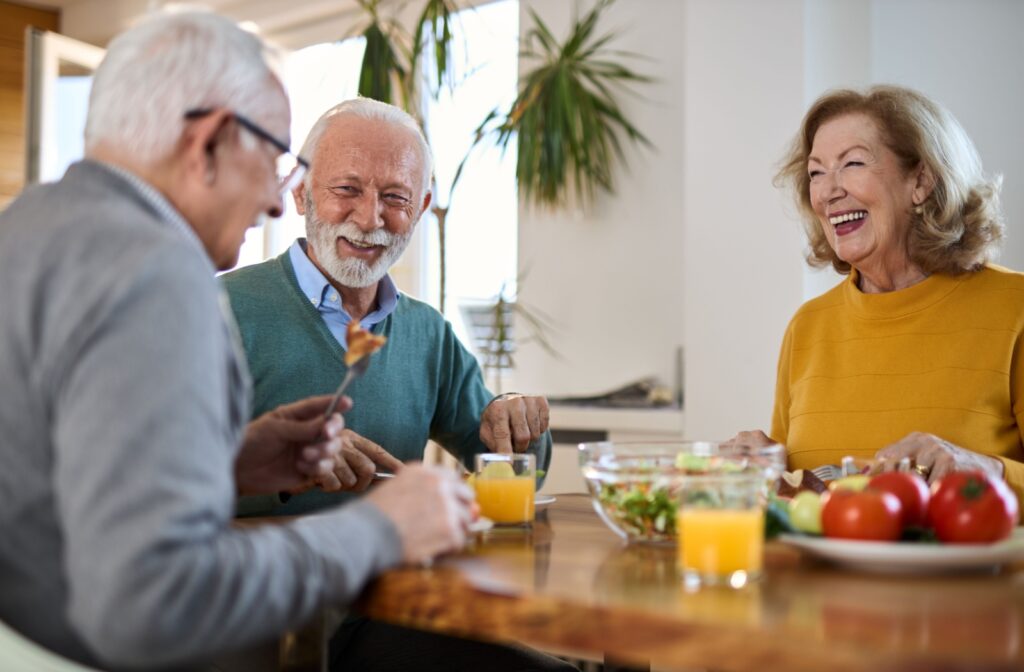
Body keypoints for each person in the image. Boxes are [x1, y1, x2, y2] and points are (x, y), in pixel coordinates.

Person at [0, 11, 475, 671]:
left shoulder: (28, 226)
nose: (281, 204)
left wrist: (229, 461)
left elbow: (49, 484)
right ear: (213, 141)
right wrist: (378, 529)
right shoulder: (160, 274)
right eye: (276, 159)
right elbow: (152, 600)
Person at [222, 98, 554, 516]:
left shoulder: (428, 334)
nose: (368, 219)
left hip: (399, 575)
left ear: (420, 210)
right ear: (302, 193)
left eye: (395, 198)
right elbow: (155, 472)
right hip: (255, 575)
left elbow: (509, 469)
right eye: (347, 189)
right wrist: (281, 461)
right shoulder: (217, 309)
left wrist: (518, 422)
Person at [735, 84, 1024, 503]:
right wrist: (763, 470)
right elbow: (796, 500)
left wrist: (987, 471)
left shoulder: (1012, 307)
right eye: (816, 172)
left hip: (964, 570)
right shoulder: (808, 326)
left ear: (920, 181)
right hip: (819, 571)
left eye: (852, 163)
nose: (828, 191)